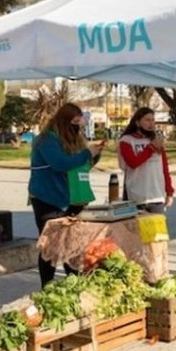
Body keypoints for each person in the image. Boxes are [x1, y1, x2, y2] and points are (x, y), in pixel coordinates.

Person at [29, 103, 104, 287]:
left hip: (71, 199)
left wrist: (93, 156)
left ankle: (74, 286)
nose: (77, 126)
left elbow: (79, 166)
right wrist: (87, 153)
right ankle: (47, 287)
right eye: (74, 122)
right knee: (50, 246)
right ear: (63, 121)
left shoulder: (73, 139)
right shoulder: (47, 140)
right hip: (48, 199)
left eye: (79, 122)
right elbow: (60, 164)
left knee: (72, 245)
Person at [118, 107, 174, 214]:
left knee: (158, 230)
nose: (151, 124)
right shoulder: (127, 140)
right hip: (136, 197)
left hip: (157, 196)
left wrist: (169, 191)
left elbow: (164, 168)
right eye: (147, 120)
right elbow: (133, 163)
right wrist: (150, 148)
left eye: (153, 120)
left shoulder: (155, 140)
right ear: (138, 122)